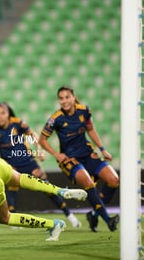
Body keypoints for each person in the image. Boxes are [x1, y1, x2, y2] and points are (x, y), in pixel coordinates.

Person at [38, 85, 119, 232]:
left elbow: (91, 129)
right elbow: (42, 139)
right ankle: (108, 220)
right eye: (61, 98)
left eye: (67, 97)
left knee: (114, 180)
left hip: (88, 154)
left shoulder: (84, 110)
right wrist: (56, 154)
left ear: (73, 97)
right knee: (89, 183)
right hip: (69, 159)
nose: (64, 101)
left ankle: (94, 214)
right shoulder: (55, 118)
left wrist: (102, 149)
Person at [0, 102, 81, 228]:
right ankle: (14, 221)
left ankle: (69, 215)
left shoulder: (18, 123)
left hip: (28, 163)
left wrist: (39, 150)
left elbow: (34, 135)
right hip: (10, 166)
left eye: (3, 113)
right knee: (11, 191)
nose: (0, 116)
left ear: (8, 113)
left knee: (47, 188)